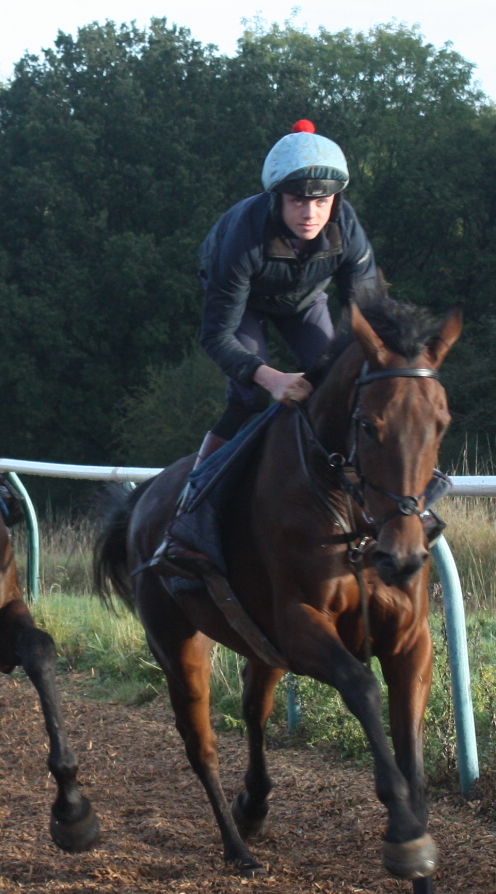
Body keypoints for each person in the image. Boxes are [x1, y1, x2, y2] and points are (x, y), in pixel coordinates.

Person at [150, 119, 379, 575]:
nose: (311, 213)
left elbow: (369, 319)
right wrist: (270, 377)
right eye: (298, 200)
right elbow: (217, 336)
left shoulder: (348, 228)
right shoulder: (242, 238)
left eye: (322, 201)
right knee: (251, 396)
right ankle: (190, 516)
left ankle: (367, 501)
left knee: (344, 385)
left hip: (304, 299)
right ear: (277, 197)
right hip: (244, 304)